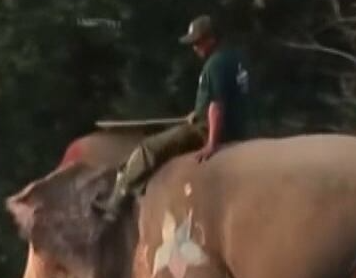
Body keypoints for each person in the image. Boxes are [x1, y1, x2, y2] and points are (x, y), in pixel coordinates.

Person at [99, 14, 252, 219]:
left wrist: (211, 143)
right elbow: (227, 96)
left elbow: (217, 105)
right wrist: (197, 112)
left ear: (211, 39)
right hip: (237, 126)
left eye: (198, 43)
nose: (194, 48)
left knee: (149, 148)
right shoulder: (236, 58)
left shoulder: (214, 65)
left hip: (206, 130)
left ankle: (115, 202)